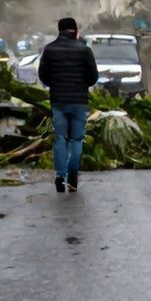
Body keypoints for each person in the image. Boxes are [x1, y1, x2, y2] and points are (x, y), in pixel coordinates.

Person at [37, 17, 99, 193]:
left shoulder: (49, 50)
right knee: (77, 139)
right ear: (75, 31)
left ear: (59, 30)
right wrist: (82, 85)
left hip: (58, 101)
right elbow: (93, 77)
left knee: (60, 138)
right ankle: (73, 174)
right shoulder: (85, 50)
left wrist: (55, 84)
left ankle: (60, 175)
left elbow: (43, 75)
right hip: (79, 102)